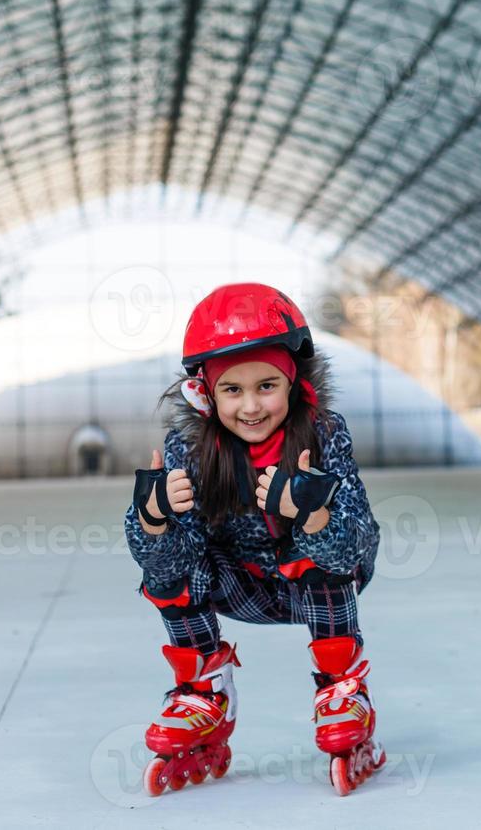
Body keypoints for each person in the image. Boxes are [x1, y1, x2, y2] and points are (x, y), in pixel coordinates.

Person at [124, 282, 383, 796]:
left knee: (318, 553)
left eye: (267, 386)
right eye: (232, 390)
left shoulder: (325, 434)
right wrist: (154, 519)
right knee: (175, 562)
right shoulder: (190, 449)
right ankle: (204, 695)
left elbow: (358, 546)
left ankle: (341, 688)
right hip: (239, 583)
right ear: (206, 393)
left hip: (317, 591)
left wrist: (311, 515)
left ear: (293, 384)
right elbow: (166, 563)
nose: (250, 407)